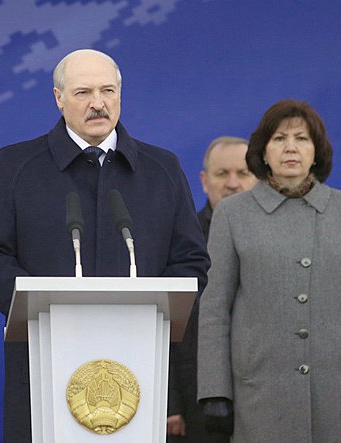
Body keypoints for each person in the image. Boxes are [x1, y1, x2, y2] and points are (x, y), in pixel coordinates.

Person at [0, 48, 209, 442]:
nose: (98, 103)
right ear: (58, 98)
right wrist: (36, 305)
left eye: (107, 90)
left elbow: (192, 260)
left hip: (139, 359)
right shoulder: (17, 165)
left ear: (120, 95)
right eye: (82, 93)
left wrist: (156, 309)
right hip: (43, 358)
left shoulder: (161, 168)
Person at [197, 99, 341, 442]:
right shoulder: (232, 214)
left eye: (302, 139)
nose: (290, 148)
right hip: (259, 395)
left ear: (317, 152)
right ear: (263, 152)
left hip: (332, 393)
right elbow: (215, 308)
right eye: (279, 139)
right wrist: (215, 391)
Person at [167, 136, 257, 442]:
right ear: (204, 181)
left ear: (258, 179)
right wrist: (168, 402)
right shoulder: (179, 240)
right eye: (222, 174)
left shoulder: (274, 239)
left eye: (243, 173)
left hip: (259, 397)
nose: (232, 183)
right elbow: (161, 320)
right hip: (193, 405)